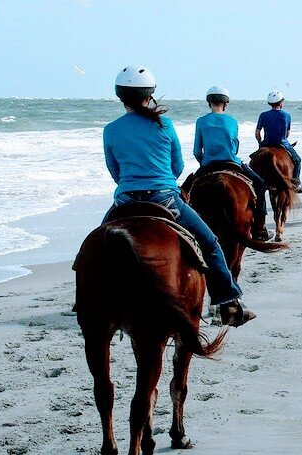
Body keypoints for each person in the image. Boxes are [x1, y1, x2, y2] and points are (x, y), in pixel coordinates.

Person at [102, 65, 255, 327]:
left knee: (95, 248)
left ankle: (91, 298)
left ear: (120, 96)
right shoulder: (165, 124)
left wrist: (130, 185)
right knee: (210, 244)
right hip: (165, 199)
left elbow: (114, 170)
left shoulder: (111, 129)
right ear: (149, 94)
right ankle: (228, 301)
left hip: (126, 200)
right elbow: (177, 166)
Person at [192, 85, 271, 240]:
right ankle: (260, 228)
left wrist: (204, 162)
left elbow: (196, 151)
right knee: (260, 184)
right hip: (231, 162)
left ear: (209, 103)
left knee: (189, 192)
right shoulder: (232, 121)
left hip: (208, 164)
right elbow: (234, 147)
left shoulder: (200, 121)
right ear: (226, 103)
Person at [255, 90, 302, 193]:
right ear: (281, 102)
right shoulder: (286, 115)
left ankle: (257, 184)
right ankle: (296, 184)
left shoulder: (263, 115)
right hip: (282, 143)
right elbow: (287, 134)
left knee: (254, 162)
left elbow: (257, 133)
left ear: (270, 103)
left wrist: (260, 142)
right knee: (297, 160)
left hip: (267, 143)